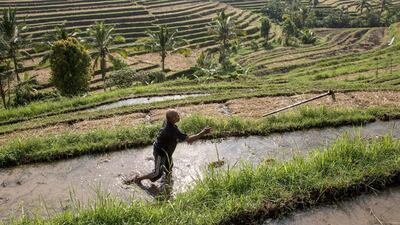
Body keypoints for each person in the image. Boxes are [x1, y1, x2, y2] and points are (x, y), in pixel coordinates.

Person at [126, 109, 211, 185]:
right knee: (157, 174)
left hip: (167, 151)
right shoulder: (171, 130)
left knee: (169, 168)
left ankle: (168, 184)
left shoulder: (167, 122)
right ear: (172, 119)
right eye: (177, 116)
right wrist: (202, 132)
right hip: (160, 152)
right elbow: (189, 140)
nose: (179, 116)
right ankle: (138, 179)